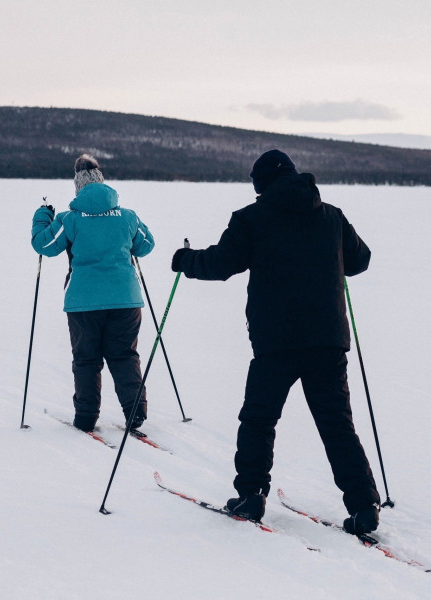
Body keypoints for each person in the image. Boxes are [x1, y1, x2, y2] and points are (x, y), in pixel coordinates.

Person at [170, 149, 381, 533]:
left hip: (275, 342)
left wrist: (186, 259)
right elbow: (360, 260)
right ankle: (365, 505)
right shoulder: (331, 215)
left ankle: (251, 497)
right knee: (337, 425)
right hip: (327, 341)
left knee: (259, 420)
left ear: (261, 184)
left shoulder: (251, 218)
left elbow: (221, 264)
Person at [31, 154, 155, 432]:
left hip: (83, 302)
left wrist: (41, 217)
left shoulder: (69, 219)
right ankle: (135, 412)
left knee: (86, 359)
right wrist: (131, 227)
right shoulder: (127, 216)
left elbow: (43, 245)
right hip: (125, 300)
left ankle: (86, 418)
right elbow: (146, 245)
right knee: (124, 355)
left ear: (78, 188)